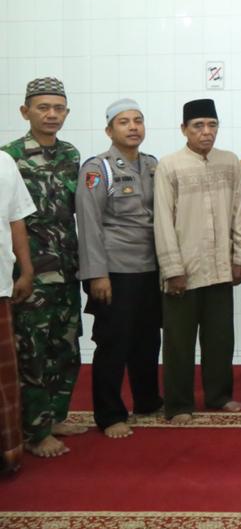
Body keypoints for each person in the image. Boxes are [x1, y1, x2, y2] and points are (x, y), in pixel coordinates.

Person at [154, 98, 241, 423]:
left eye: (212, 125)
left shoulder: (230, 162)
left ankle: (219, 396)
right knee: (179, 342)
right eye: (198, 126)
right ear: (184, 129)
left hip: (221, 267)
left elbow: (239, 212)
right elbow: (163, 221)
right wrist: (172, 269)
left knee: (220, 338)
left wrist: (240, 257)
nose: (206, 132)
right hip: (184, 270)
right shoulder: (169, 166)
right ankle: (179, 404)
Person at [2, 77, 84, 457]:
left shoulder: (71, 154)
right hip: (31, 271)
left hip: (67, 267)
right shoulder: (10, 157)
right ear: (26, 111)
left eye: (58, 108)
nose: (52, 114)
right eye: (43, 108)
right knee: (32, 352)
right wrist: (22, 270)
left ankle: (56, 415)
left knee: (65, 347)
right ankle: (36, 431)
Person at [74, 99, 163, 438]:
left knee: (147, 339)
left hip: (149, 268)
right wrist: (97, 274)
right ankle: (110, 414)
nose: (133, 127)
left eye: (138, 120)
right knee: (113, 343)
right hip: (114, 270)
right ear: (109, 130)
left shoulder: (152, 165)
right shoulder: (98, 169)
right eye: (124, 122)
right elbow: (89, 223)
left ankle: (147, 401)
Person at [1, 148, 36, 473]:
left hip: (0, 284)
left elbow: (16, 220)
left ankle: (7, 452)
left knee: (3, 380)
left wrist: (25, 269)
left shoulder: (3, 162)